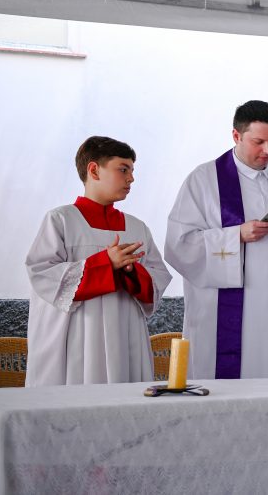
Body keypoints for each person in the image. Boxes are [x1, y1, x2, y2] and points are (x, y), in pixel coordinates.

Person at [165, 101, 268, 379]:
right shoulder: (203, 180)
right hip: (221, 315)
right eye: (259, 141)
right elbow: (179, 244)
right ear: (236, 136)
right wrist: (236, 234)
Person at [25, 136, 171, 386]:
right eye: (123, 169)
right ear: (94, 170)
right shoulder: (61, 220)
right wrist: (105, 263)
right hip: (78, 339)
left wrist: (131, 271)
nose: (131, 178)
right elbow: (42, 274)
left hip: (126, 336)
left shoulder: (137, 228)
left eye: (132, 171)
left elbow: (156, 280)